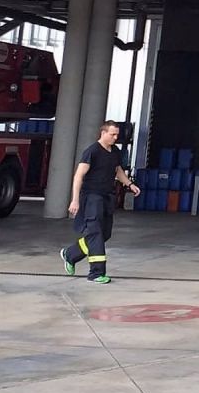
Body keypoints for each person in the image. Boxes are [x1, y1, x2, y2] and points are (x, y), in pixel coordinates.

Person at [59, 121, 140, 284]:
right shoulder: (92, 151)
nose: (115, 138)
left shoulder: (115, 151)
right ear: (103, 133)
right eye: (112, 134)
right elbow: (78, 176)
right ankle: (96, 273)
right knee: (95, 233)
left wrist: (129, 184)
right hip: (92, 197)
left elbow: (118, 170)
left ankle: (70, 254)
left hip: (107, 196)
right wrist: (75, 200)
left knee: (104, 234)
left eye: (117, 135)